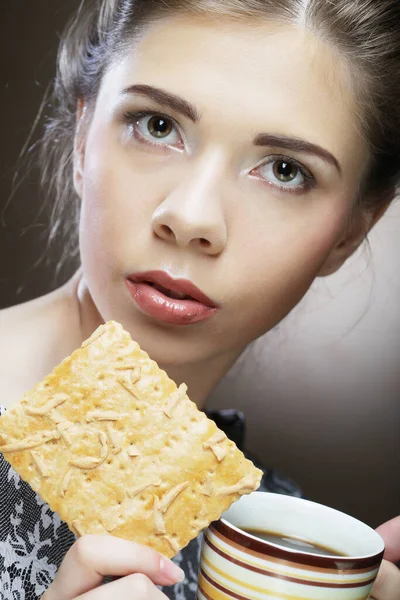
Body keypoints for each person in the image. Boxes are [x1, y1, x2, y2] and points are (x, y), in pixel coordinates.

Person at [0, 0, 399, 598]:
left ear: (350, 232)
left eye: (285, 170)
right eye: (157, 125)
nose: (191, 217)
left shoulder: (270, 529)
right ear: (84, 139)